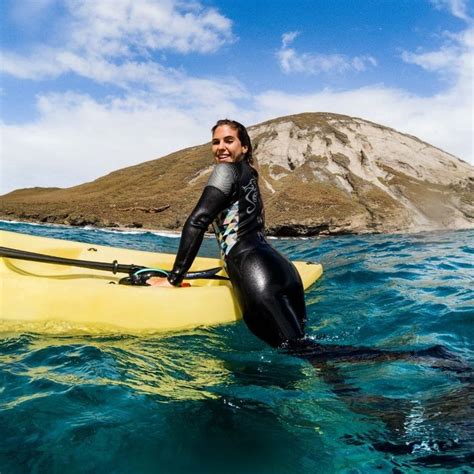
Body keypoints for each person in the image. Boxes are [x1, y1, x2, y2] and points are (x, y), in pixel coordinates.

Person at [149, 119, 307, 348]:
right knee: (305, 348)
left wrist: (174, 279)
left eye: (228, 140)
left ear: (244, 147)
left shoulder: (225, 171)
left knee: (303, 353)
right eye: (216, 142)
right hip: (282, 270)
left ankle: (369, 361)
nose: (220, 147)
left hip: (255, 272)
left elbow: (197, 221)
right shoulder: (250, 174)